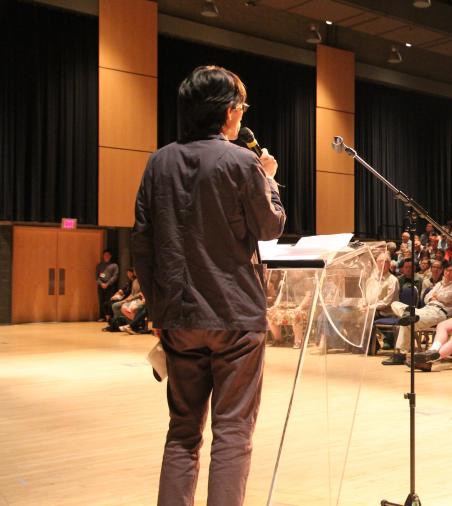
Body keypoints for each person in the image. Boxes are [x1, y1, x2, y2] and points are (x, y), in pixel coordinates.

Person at [132, 66, 286, 506]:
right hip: (236, 317)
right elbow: (270, 227)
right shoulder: (243, 162)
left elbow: (141, 244)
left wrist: (157, 311)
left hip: (178, 317)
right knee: (233, 432)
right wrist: (269, 179)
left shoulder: (157, 163)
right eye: (241, 106)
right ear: (229, 112)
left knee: (182, 433)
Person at [381, 262, 452, 366]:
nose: (447, 273)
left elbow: (447, 297)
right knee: (395, 304)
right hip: (426, 309)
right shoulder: (440, 284)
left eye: (451, 271)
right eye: (446, 270)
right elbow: (426, 297)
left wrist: (435, 296)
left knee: (407, 322)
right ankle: (408, 312)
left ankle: (400, 355)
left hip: (439, 312)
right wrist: (434, 296)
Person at [96, 250, 119, 322]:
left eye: (108, 255)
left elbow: (115, 276)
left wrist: (108, 284)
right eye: (105, 255)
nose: (106, 256)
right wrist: (101, 283)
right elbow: (97, 277)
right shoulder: (99, 265)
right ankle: (102, 316)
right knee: (101, 301)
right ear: (103, 256)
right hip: (101, 286)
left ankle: (109, 317)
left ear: (110, 256)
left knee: (109, 301)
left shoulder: (114, 265)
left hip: (110, 286)